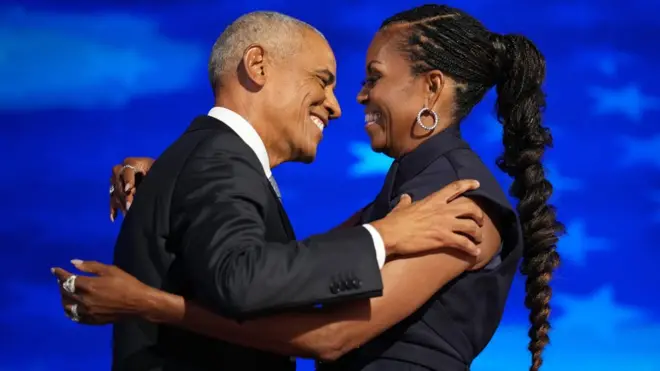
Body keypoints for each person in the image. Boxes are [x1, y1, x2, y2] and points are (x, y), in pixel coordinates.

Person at [54, 4, 564, 371]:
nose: (353, 99)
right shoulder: (405, 198)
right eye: (332, 81)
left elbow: (333, 335)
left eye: (373, 77)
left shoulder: (456, 200)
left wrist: (150, 302)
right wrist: (173, 175)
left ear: (432, 87)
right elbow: (292, 267)